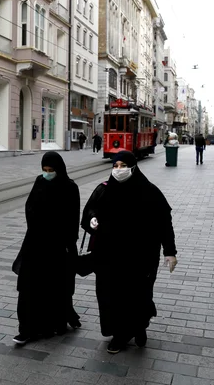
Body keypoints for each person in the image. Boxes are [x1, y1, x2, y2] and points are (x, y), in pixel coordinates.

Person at [81, 150, 177, 354]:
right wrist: (92, 220)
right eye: (115, 166)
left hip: (140, 258)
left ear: (133, 167)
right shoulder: (104, 190)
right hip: (109, 256)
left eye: (123, 166)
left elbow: (163, 223)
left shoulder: (149, 192)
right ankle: (120, 335)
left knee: (138, 295)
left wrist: (170, 251)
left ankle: (139, 327)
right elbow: (89, 213)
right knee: (112, 296)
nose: (118, 170)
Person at [12, 152, 81, 345]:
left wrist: (68, 243)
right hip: (35, 242)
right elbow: (30, 206)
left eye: (51, 171)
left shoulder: (70, 187)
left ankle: (52, 324)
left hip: (57, 246)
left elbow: (72, 218)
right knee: (28, 285)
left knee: (54, 286)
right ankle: (26, 329)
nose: (47, 174)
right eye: (44, 170)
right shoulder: (39, 182)